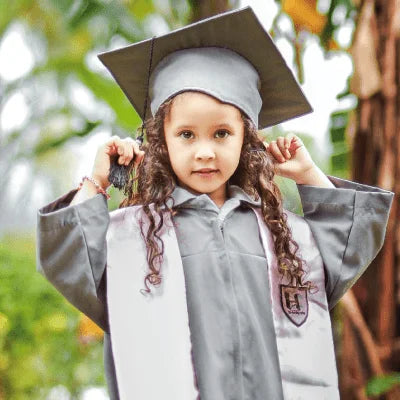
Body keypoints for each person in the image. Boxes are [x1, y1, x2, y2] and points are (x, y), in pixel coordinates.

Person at [36, 6, 394, 400]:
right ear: (162, 142)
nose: (204, 151)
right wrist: (97, 181)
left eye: (221, 133)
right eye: (187, 135)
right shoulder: (133, 238)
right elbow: (71, 263)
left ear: (247, 139)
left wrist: (308, 175)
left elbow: (349, 246)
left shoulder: (284, 237)